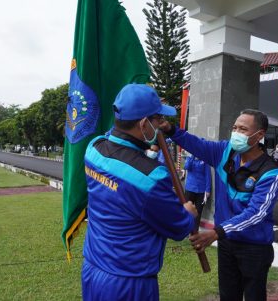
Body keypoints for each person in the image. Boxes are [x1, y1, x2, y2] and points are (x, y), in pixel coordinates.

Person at [81, 84, 197, 301]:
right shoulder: (151, 177)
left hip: (92, 268)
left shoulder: (93, 148)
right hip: (128, 283)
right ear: (144, 124)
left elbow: (113, 136)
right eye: (157, 120)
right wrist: (189, 213)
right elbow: (179, 227)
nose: (160, 126)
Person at [160, 109, 278, 301]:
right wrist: (169, 128)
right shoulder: (224, 152)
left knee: (254, 296)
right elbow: (195, 144)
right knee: (227, 295)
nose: (236, 133)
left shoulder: (271, 172)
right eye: (234, 127)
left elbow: (256, 214)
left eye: (243, 129)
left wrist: (216, 232)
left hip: (254, 247)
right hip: (227, 243)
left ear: (259, 135)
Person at [183, 153, 212, 228]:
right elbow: (186, 167)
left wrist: (207, 190)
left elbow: (208, 176)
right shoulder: (189, 158)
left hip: (201, 191)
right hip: (190, 188)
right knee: (187, 210)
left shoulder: (205, 160)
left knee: (198, 212)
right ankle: (186, 229)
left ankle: (195, 230)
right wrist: (191, 157)